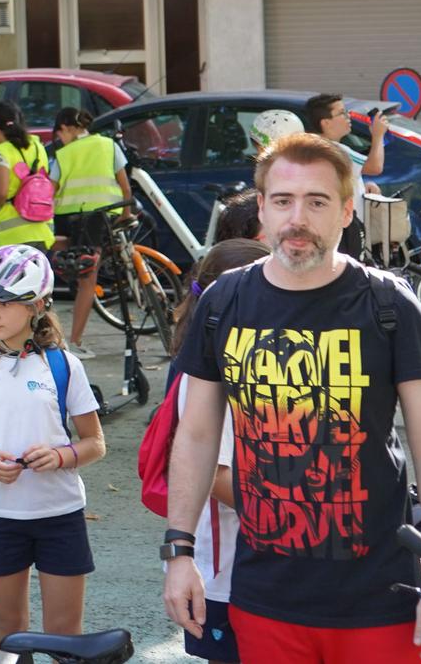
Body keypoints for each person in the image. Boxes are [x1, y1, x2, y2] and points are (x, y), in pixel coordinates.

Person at [163, 132, 421, 664]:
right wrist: (179, 551)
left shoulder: (389, 304)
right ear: (262, 208)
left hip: (381, 597)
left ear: (347, 211)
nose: (297, 218)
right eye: (283, 200)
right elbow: (196, 435)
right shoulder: (224, 301)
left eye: (317, 201)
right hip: (263, 597)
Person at [0, 245, 106, 647]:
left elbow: (94, 443)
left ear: (35, 305)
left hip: (60, 514)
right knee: (8, 629)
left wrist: (61, 456)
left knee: (65, 631)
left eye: (4, 304)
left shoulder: (63, 365)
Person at [162, 237, 272, 664]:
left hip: (244, 562)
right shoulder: (213, 373)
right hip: (226, 572)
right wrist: (292, 512)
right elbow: (218, 475)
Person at [49, 105, 132, 359]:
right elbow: (125, 187)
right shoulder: (109, 146)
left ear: (66, 128)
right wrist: (125, 215)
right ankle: (75, 341)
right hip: (99, 219)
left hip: (66, 221)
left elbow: (49, 192)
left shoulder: (62, 155)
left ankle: (57, 337)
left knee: (60, 274)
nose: (59, 139)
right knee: (88, 280)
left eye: (59, 134)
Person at [306, 92, 390, 257]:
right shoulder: (336, 150)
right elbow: (375, 167)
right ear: (326, 123)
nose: (348, 117)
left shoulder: (315, 147)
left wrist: (362, 185)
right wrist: (378, 136)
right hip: (346, 227)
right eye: (342, 113)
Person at [0, 100, 53, 252]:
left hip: (12, 237)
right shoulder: (38, 147)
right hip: (43, 230)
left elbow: (0, 195)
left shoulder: (2, 152)